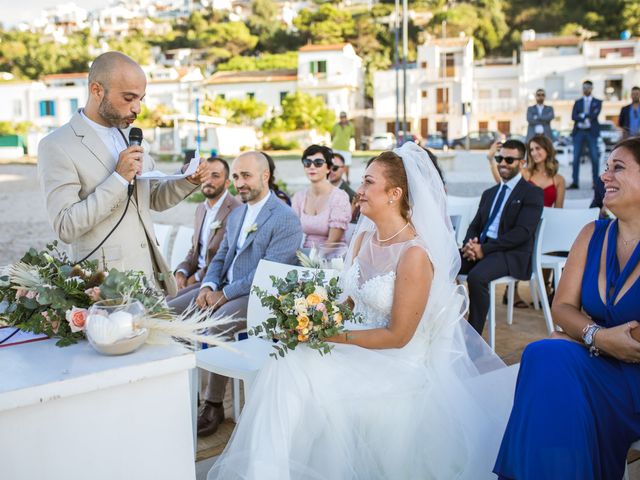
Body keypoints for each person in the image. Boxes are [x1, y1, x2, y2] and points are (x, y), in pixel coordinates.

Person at [208, 141, 515, 480]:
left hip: (396, 363)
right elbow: (349, 303)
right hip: (356, 347)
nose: (359, 189)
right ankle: (269, 471)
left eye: (369, 182)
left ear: (394, 193)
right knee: (288, 360)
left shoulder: (413, 254)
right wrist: (310, 317)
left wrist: (326, 334)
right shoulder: (362, 239)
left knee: (293, 368)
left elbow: (398, 336)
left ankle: (269, 471)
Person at [494, 137, 640, 480]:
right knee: (543, 354)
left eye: (617, 167)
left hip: (633, 379)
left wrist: (582, 337)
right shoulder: (593, 233)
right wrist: (596, 336)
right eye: (605, 168)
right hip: (598, 360)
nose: (604, 177)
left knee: (553, 359)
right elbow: (562, 306)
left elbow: (632, 340)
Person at [37, 51, 205, 296]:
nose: (137, 108)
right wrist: (117, 179)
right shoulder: (56, 145)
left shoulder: (130, 135)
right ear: (97, 90)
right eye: (128, 98)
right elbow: (65, 226)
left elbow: (153, 199)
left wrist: (186, 179)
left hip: (150, 279)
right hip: (105, 288)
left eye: (140, 99)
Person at [195, 151, 303, 437]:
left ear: (265, 176)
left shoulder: (286, 219)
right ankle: (180, 390)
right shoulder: (237, 214)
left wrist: (225, 294)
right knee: (173, 309)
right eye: (236, 176)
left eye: (246, 176)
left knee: (215, 323)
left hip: (260, 295)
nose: (239, 183)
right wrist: (208, 286)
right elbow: (219, 257)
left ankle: (213, 403)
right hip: (224, 288)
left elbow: (267, 272)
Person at [460, 139, 544, 335]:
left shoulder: (532, 193)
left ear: (522, 163)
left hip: (511, 254)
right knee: (445, 264)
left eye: (509, 159)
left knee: (476, 278)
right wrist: (469, 245)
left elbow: (522, 232)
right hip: (483, 250)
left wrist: (484, 250)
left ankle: (473, 340)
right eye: (499, 158)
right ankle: (445, 328)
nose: (502, 163)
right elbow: (475, 225)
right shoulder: (489, 193)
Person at [167, 157, 241, 313]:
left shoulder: (236, 210)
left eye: (215, 176)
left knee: (168, 308)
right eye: (206, 175)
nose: (209, 181)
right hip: (194, 275)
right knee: (158, 300)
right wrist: (181, 272)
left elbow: (227, 257)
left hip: (214, 280)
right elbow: (194, 249)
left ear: (227, 183)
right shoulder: (201, 208)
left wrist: (195, 279)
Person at [291, 145, 351, 248]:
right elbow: (291, 234)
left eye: (318, 163)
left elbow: (332, 242)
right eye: (307, 163)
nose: (312, 167)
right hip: (302, 255)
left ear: (328, 168)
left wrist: (311, 262)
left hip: (331, 257)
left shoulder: (339, 197)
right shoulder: (299, 197)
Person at [569, 80, 602, 190]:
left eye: (588, 87)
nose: (585, 89)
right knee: (575, 157)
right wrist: (584, 116)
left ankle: (595, 183)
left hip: (591, 132)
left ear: (592, 88)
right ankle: (575, 182)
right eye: (584, 87)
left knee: (594, 158)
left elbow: (594, 114)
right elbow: (573, 116)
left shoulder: (598, 102)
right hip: (579, 132)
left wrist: (582, 115)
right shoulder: (577, 102)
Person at [331, 111, 355, 181]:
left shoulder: (351, 126)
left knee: (347, 164)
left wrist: (352, 146)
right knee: (336, 165)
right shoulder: (336, 125)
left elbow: (352, 136)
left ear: (346, 117)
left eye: (344, 117)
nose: (343, 118)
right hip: (336, 148)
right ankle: (338, 179)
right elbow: (332, 135)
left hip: (346, 148)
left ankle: (347, 179)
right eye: (341, 117)